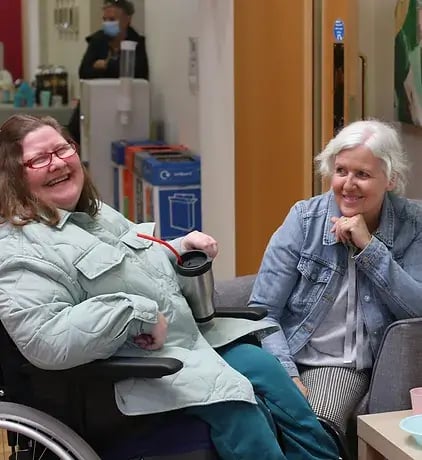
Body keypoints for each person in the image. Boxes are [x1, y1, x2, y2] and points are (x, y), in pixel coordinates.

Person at [0, 114, 338, 460]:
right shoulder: (18, 249)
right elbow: (46, 338)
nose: (57, 163)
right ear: (14, 177)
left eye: (62, 149)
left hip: (180, 344)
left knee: (265, 368)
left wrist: (178, 250)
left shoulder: (97, 215)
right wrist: (138, 314)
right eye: (40, 159)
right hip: (118, 379)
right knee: (237, 405)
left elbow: (133, 265)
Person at [249, 119, 422, 435]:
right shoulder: (304, 219)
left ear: (391, 179)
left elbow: (417, 310)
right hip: (288, 354)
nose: (348, 184)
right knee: (244, 418)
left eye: (363, 174)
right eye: (341, 171)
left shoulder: (413, 224)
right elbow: (261, 312)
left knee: (311, 425)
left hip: (341, 365)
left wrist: (369, 248)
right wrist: (288, 375)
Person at [68, 0, 149, 144]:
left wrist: (105, 66)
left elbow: (138, 73)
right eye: (104, 19)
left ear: (127, 19)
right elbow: (84, 72)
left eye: (112, 19)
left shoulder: (136, 44)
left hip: (125, 107)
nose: (107, 24)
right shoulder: (97, 40)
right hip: (94, 104)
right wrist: (107, 67)